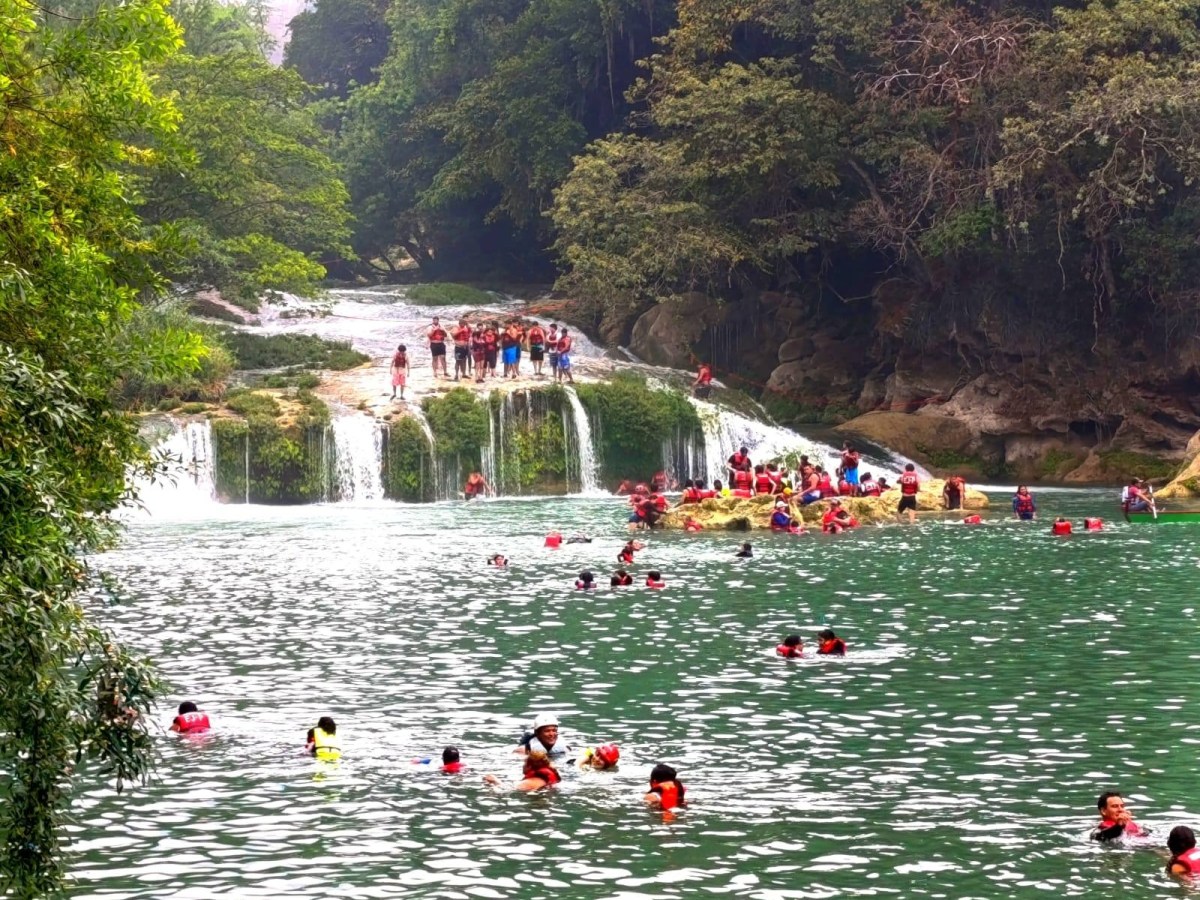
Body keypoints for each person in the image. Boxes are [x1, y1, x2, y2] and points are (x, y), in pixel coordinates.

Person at [485, 750, 561, 791]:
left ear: (529, 766)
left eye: (524, 763)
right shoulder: (547, 777)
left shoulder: (529, 782)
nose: (523, 765)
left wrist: (495, 781)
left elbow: (507, 789)